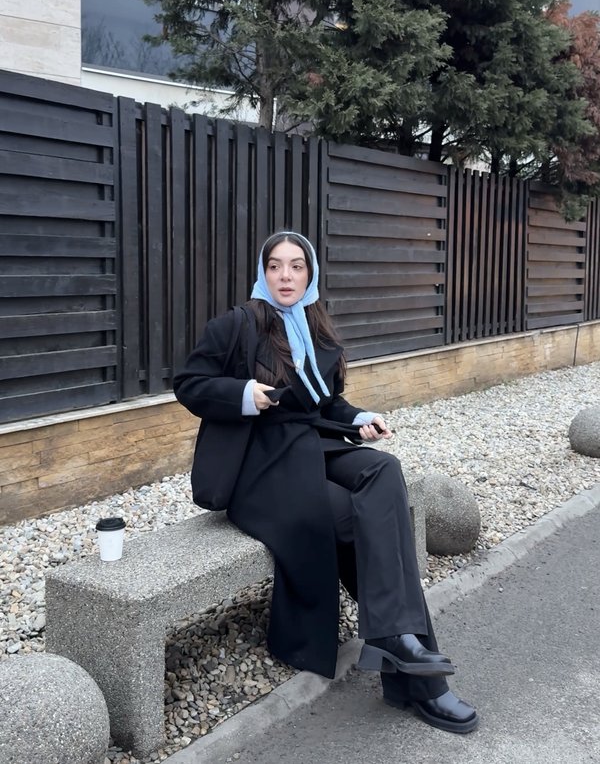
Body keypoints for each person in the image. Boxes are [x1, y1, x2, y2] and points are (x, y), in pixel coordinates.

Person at [173, 231, 479, 734]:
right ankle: (421, 681)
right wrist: (245, 393)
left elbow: (327, 404)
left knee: (384, 469)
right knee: (367, 523)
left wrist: (360, 417)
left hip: (312, 445)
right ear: (263, 272)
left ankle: (393, 638)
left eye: (297, 266)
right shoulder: (237, 325)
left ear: (310, 275)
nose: (286, 276)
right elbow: (189, 383)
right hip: (263, 466)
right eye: (276, 266)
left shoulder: (317, 330)